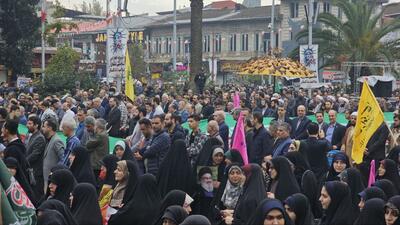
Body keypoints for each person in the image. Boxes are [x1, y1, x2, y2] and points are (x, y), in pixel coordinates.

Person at [25, 115, 46, 197]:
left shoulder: (40, 138)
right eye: (27, 123)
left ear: (36, 125)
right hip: (29, 169)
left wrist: (24, 162)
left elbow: (34, 155)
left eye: (30, 124)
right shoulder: (30, 135)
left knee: (35, 194)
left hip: (35, 172)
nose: (27, 125)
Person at [42, 119, 65, 193]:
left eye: (44, 126)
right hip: (47, 178)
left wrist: (54, 172)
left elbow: (63, 158)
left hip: (52, 178)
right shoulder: (49, 139)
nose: (42, 128)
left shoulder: (56, 141)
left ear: (50, 128)